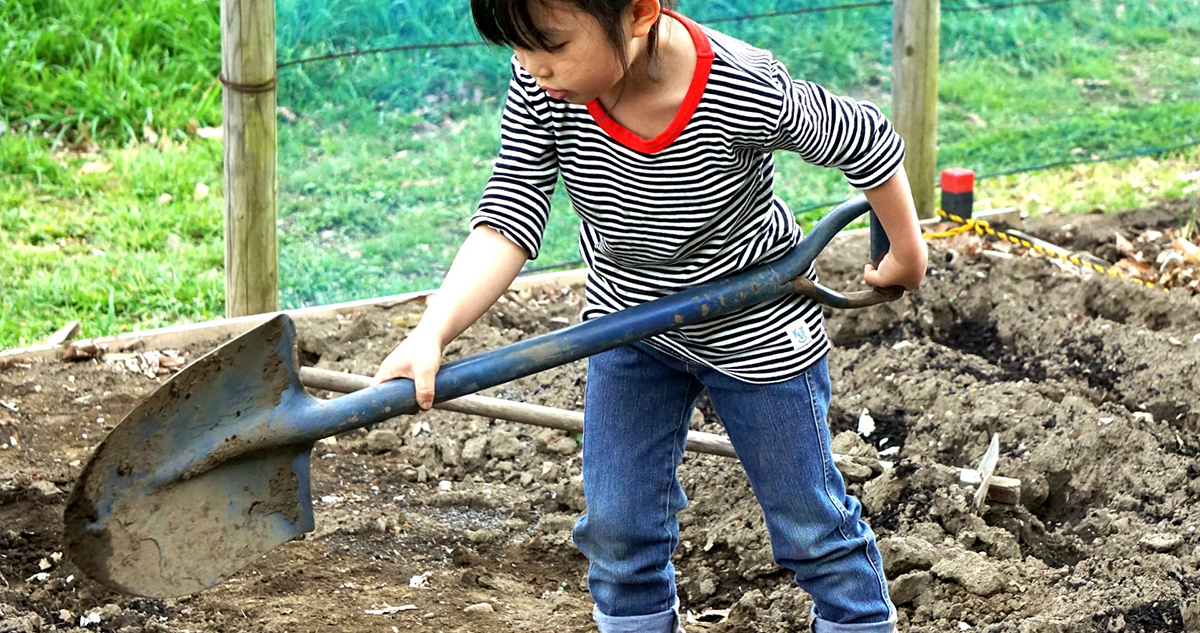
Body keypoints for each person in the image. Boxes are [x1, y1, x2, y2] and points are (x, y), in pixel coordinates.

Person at [373, 0, 928, 630]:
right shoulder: (543, 85)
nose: (530, 67)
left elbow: (869, 138)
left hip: (756, 330)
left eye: (550, 46)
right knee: (617, 528)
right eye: (516, 47)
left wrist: (906, 251)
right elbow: (509, 212)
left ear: (639, 13)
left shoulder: (741, 87)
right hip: (628, 328)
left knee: (808, 522)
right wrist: (433, 330)